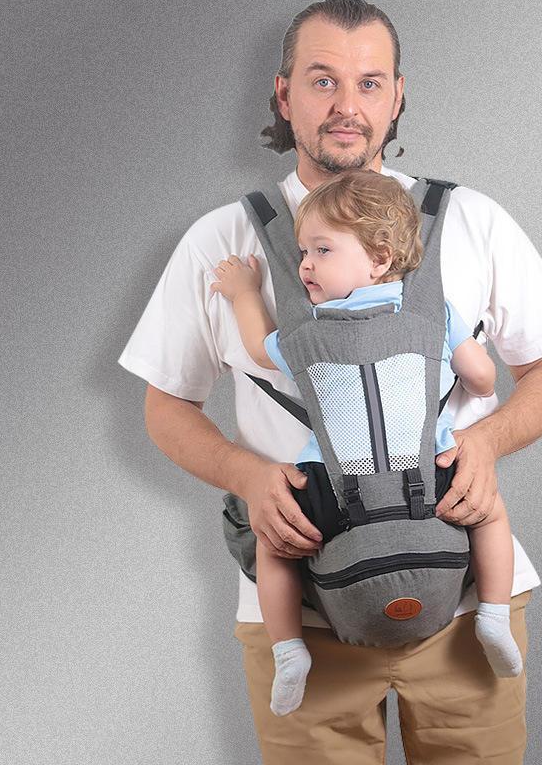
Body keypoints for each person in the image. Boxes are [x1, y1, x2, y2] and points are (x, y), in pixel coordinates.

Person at [118, 0, 542, 764]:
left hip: (466, 602)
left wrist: (487, 442)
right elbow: (166, 406)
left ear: (398, 95)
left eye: (370, 83)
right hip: (300, 618)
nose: (346, 105)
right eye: (322, 80)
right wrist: (249, 476)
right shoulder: (221, 242)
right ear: (282, 94)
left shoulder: (470, 221)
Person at [211, 168, 523, 716]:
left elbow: (259, 348)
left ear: (379, 256)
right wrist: (471, 380)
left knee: (274, 544)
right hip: (424, 480)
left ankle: (288, 651)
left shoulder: (304, 335)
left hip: (335, 486)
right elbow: (483, 380)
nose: (305, 264)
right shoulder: (433, 317)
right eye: (304, 250)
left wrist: (241, 291)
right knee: (491, 513)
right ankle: (494, 615)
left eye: (322, 250)